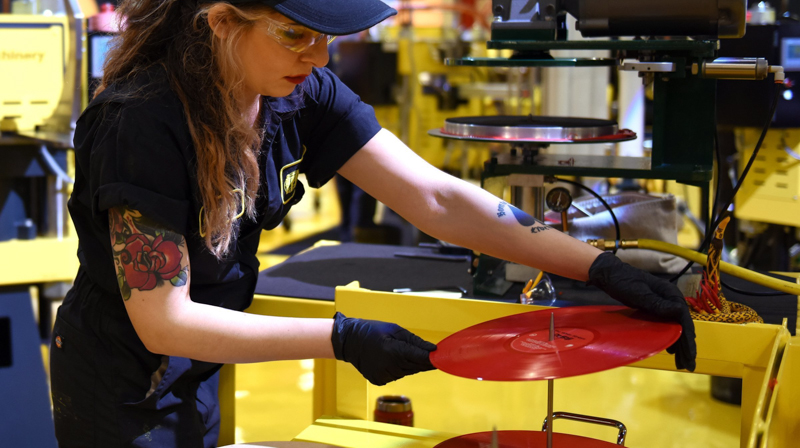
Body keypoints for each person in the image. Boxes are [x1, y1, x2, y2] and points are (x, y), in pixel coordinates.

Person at [50, 1, 697, 447]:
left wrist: (600, 268)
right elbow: (164, 321)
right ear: (221, 22)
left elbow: (435, 199)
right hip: (118, 385)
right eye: (295, 32)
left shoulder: (301, 92)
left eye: (325, 35)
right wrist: (342, 338)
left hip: (197, 367)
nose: (319, 53)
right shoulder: (142, 123)